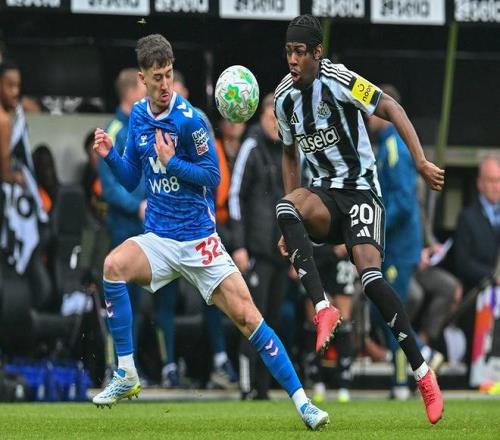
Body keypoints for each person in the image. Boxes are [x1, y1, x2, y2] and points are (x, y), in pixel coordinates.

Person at [91, 34, 328, 430]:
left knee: (249, 318)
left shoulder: (191, 121)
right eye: (157, 77)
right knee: (112, 267)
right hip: (160, 239)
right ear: (142, 79)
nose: (165, 84)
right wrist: (111, 156)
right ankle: (127, 373)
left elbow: (212, 177)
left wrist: (172, 162)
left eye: (169, 75)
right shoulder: (138, 116)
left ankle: (304, 404)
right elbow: (131, 178)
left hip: (199, 241)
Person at [273, 14, 443, 424]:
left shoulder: (340, 79)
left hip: (362, 192)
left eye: (300, 52)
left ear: (317, 53)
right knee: (283, 207)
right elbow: (289, 153)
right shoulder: (283, 98)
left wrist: (420, 161)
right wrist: (292, 221)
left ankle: (423, 374)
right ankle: (323, 308)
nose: (293, 59)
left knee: (371, 280)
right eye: (289, 52)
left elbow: (391, 107)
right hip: (325, 196)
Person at [172, 69, 238, 389]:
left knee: (216, 295)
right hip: (166, 227)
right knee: (162, 299)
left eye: (174, 85)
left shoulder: (197, 123)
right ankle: (164, 365)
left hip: (201, 227)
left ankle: (221, 362)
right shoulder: (149, 123)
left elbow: (214, 179)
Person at [228, 93, 289, 400]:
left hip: (280, 253)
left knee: (273, 321)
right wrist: (239, 246)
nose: (275, 124)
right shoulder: (251, 146)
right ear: (262, 117)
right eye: (271, 117)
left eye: (280, 118)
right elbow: (234, 195)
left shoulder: (289, 150)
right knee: (252, 319)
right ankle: (246, 384)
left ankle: (264, 387)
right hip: (255, 252)